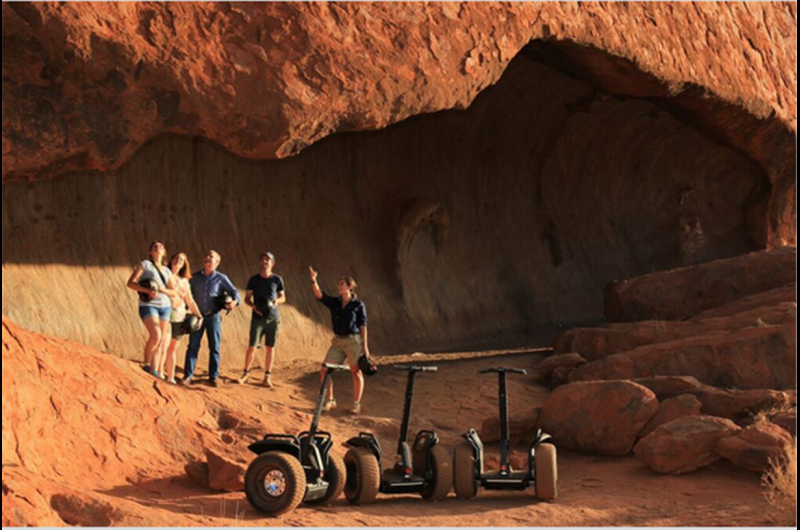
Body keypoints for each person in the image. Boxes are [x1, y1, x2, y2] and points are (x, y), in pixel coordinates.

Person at [309, 266, 371, 414]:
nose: (339, 286)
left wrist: (365, 346)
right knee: (325, 370)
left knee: (356, 372)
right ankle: (330, 400)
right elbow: (320, 296)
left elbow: (363, 325)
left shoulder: (358, 304)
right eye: (339, 284)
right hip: (337, 341)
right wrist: (313, 280)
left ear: (350, 287)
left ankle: (356, 404)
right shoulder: (335, 302)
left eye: (342, 284)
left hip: (353, 341)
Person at [181, 250, 241, 387]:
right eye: (206, 255)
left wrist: (234, 302)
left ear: (217, 262)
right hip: (197, 316)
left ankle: (213, 376)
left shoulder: (221, 278)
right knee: (193, 346)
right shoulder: (194, 277)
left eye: (211, 257)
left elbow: (235, 292)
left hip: (213, 316)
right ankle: (188, 375)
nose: (207, 258)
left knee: (214, 347)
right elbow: (185, 294)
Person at [126, 241, 177, 377]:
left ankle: (154, 372)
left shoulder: (166, 270)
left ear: (164, 252)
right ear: (150, 252)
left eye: (161, 246)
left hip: (165, 306)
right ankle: (146, 364)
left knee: (160, 341)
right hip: (149, 304)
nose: (158, 247)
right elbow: (131, 283)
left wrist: (161, 289)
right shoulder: (145, 265)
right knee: (156, 334)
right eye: (155, 246)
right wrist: (147, 290)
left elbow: (174, 292)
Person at [238, 252, 286, 388]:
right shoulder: (254, 280)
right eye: (263, 259)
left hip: (273, 318)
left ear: (272, 263)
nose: (265, 261)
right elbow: (246, 298)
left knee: (270, 348)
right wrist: (253, 306)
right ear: (260, 262)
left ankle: (267, 376)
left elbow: (283, 297)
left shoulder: (277, 279)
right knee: (252, 346)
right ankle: (245, 373)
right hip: (258, 318)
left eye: (268, 259)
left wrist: (277, 301)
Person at [161, 252, 204, 384]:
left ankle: (170, 376)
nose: (178, 261)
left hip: (179, 316)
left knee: (173, 347)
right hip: (166, 314)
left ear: (184, 264)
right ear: (171, 259)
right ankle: (157, 371)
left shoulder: (184, 281)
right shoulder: (164, 274)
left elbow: (190, 301)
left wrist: (199, 315)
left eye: (181, 260)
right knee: (163, 344)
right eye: (176, 258)